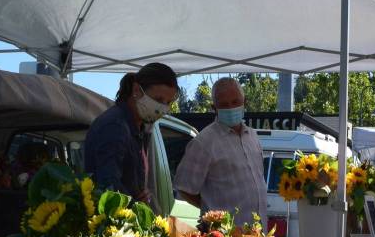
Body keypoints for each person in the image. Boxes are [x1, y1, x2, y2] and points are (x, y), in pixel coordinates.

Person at [175, 77, 267, 226]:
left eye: (235, 102)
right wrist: (212, 213)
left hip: (258, 232)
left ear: (245, 102)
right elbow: (184, 188)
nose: (231, 108)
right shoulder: (204, 142)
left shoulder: (253, 136)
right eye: (224, 105)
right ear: (214, 107)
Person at [84, 63, 178, 201]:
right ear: (136, 90)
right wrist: (134, 204)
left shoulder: (139, 128)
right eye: (158, 100)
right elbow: (108, 186)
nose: (162, 108)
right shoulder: (115, 126)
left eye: (168, 102)